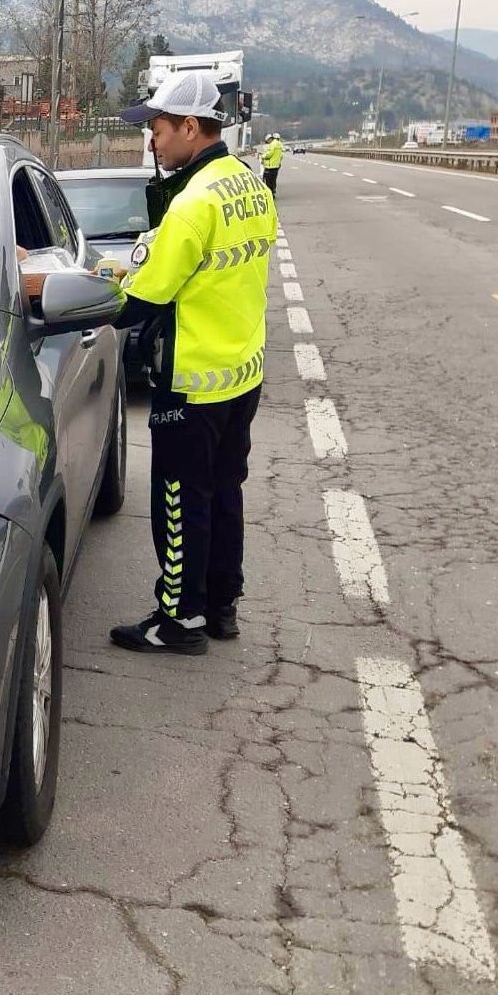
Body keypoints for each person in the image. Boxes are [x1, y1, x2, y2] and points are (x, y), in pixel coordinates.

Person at [108, 71, 278, 655]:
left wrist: (72, 299)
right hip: (242, 374)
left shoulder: (193, 204)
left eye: (156, 128)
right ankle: (222, 606)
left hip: (192, 382)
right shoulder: (249, 184)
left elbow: (140, 300)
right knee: (225, 491)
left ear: (188, 126)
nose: (151, 142)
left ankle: (179, 621)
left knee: (180, 503)